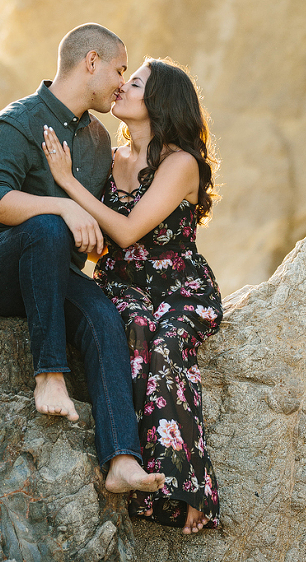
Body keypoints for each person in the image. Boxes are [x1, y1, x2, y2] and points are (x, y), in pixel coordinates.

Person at [0, 23, 165, 497]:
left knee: (102, 315)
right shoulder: (16, 122)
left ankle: (122, 461)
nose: (120, 81)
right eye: (118, 69)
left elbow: (100, 222)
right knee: (48, 227)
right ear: (91, 62)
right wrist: (64, 207)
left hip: (55, 274)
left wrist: (91, 237)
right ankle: (49, 377)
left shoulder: (94, 140)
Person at [42, 57, 223, 535]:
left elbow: (124, 230)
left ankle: (190, 488)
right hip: (122, 284)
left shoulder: (180, 163)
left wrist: (67, 184)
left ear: (160, 101)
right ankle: (138, 474)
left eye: (135, 82)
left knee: (166, 350)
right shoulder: (111, 156)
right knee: (135, 334)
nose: (121, 87)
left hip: (177, 286)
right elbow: (105, 239)